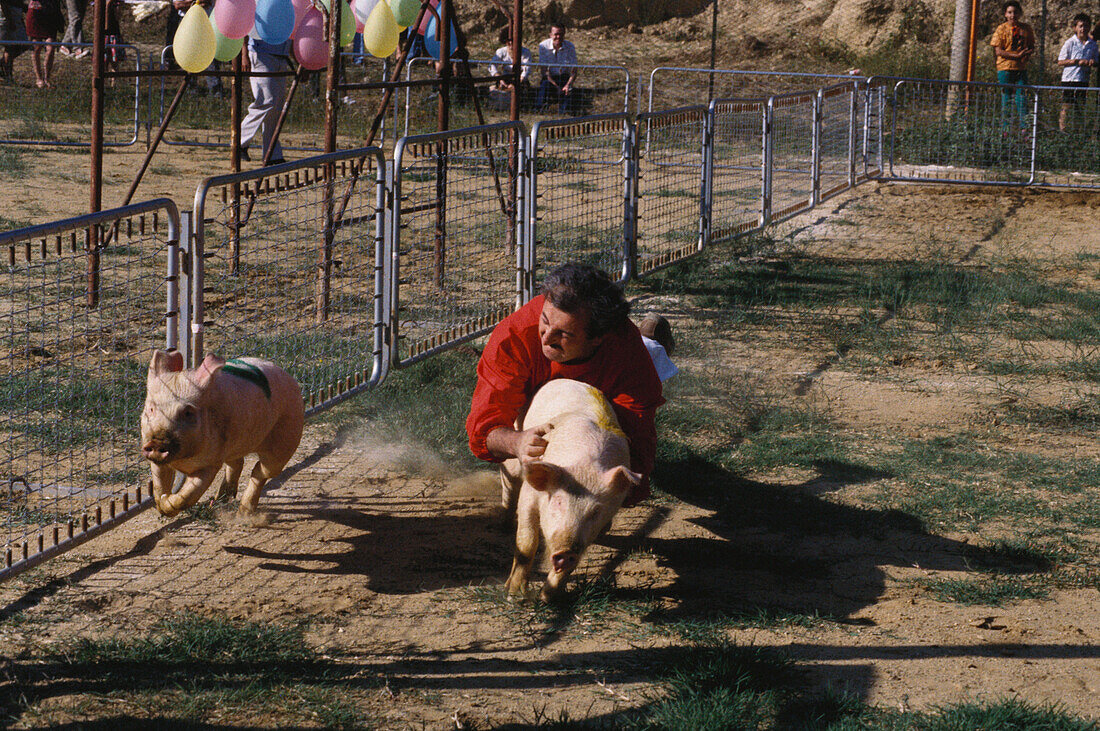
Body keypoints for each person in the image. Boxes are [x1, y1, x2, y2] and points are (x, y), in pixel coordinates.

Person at [466, 263, 666, 509]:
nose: (546, 337)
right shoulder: (513, 338)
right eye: (545, 320)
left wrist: (613, 492)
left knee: (654, 360)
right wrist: (517, 443)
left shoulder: (626, 354)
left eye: (564, 334)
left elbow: (637, 441)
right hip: (537, 391)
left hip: (612, 379)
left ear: (597, 338)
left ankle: (654, 342)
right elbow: (484, 431)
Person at [240, 34, 291, 165]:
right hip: (261, 53)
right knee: (266, 101)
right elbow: (246, 26)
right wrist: (244, 54)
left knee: (276, 107)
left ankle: (272, 153)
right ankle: (239, 141)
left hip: (281, 55)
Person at [989, 0, 1035, 130]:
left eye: (1015, 12)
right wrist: (1016, 56)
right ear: (1005, 14)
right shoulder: (1001, 29)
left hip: (1021, 67)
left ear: (1020, 13)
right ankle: (1005, 130)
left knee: (1022, 98)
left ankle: (1024, 129)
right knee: (1006, 98)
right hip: (1005, 68)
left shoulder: (1026, 29)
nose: (1012, 15)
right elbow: (998, 51)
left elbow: (1031, 45)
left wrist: (1027, 53)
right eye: (1009, 12)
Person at [1056, 13, 1097, 132]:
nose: (1083, 29)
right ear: (1075, 28)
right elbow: (1060, 61)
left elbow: (1096, 61)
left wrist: (1092, 62)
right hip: (1069, 79)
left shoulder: (1093, 44)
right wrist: (1076, 61)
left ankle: (1078, 131)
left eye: (1086, 26)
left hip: (1083, 79)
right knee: (1066, 105)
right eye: (1080, 26)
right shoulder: (1070, 43)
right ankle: (1062, 129)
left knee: (1080, 106)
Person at [535, 24, 577, 114]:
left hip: (564, 77)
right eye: (556, 34)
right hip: (549, 78)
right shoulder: (543, 46)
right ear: (550, 35)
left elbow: (574, 70)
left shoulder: (570, 46)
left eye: (561, 34)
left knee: (568, 91)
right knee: (544, 85)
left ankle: (564, 113)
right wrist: (556, 86)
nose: (558, 37)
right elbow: (544, 71)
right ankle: (540, 110)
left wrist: (568, 85)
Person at [487, 26, 531, 111]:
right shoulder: (501, 51)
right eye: (508, 41)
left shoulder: (525, 52)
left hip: (520, 79)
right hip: (505, 78)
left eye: (513, 41)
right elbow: (492, 66)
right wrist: (499, 78)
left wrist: (517, 82)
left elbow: (527, 69)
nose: (511, 44)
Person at [25, 0, 63, 88]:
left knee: (51, 48)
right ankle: (39, 78)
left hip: (50, 14)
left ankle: (47, 79)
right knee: (36, 48)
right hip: (36, 14)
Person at [0, 0, 30, 80]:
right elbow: (3, 3)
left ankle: (3, 64)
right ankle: (8, 76)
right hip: (8, 16)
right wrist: (9, 20)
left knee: (24, 45)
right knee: (10, 47)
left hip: (16, 15)